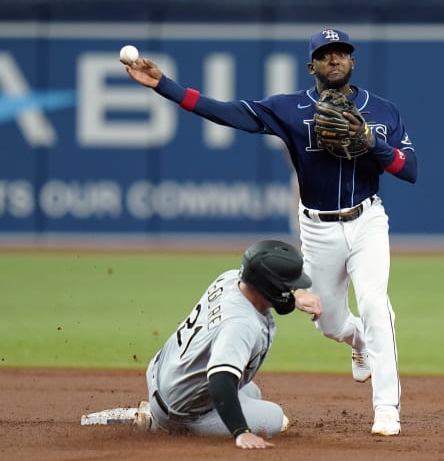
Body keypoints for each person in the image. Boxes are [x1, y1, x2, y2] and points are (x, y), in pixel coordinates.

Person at [122, 27, 417, 436]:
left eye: (342, 53)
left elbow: (410, 171)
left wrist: (369, 142)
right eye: (325, 54)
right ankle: (358, 342)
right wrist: (165, 87)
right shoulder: (290, 109)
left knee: (375, 306)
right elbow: (228, 112)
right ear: (311, 65)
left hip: (368, 221)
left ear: (353, 61)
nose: (335, 59)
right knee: (328, 323)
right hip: (317, 228)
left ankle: (386, 409)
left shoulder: (382, 111)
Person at [132, 239, 322, 450]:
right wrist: (241, 432)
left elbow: (267, 292)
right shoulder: (241, 325)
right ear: (270, 286)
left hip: (164, 370)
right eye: (289, 285)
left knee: (251, 392)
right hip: (180, 409)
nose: (292, 289)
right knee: (275, 418)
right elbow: (220, 381)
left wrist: (294, 296)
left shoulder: (232, 278)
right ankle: (157, 423)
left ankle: (155, 414)